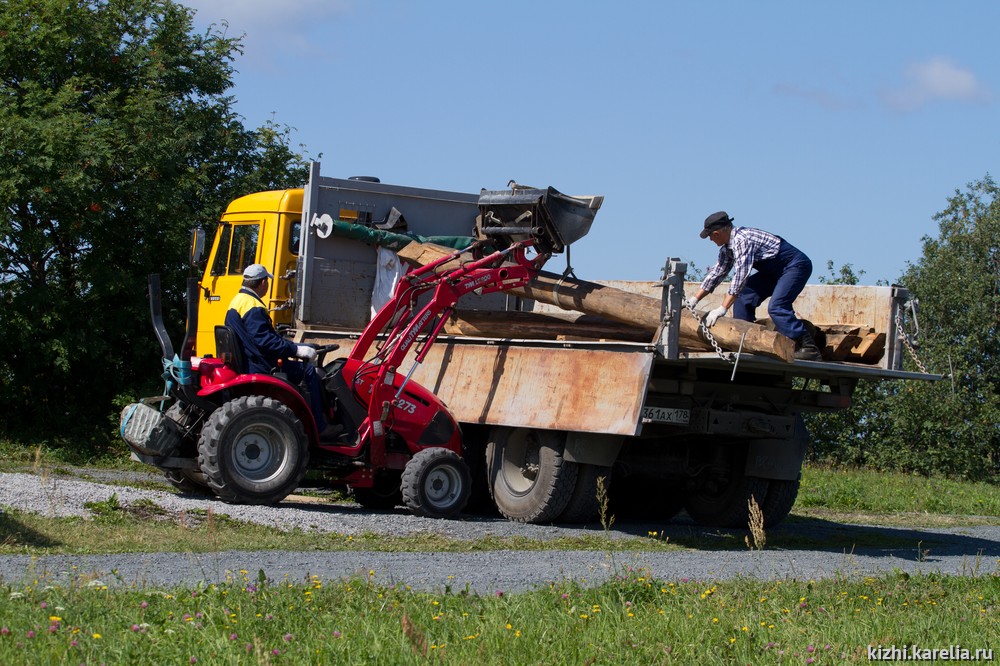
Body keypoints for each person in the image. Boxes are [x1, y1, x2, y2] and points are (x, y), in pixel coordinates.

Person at [685, 211, 822, 361]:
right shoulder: (727, 249)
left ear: (717, 233)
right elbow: (716, 273)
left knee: (777, 307)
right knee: (743, 296)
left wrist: (722, 308)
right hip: (775, 272)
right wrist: (694, 300)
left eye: (710, 236)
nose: (710, 240)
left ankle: (808, 347)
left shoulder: (742, 240)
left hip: (795, 266)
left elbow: (741, 277)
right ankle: (746, 341)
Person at [225, 263, 330, 431]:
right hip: (261, 365)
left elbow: (261, 337)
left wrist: (293, 345)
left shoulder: (236, 302)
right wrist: (296, 350)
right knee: (309, 371)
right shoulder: (254, 307)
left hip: (250, 360)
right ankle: (320, 427)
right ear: (263, 283)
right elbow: (265, 341)